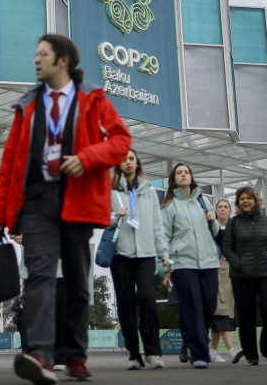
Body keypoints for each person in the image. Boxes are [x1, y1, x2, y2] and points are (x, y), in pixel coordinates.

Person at [0, 33, 131, 383]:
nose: (35, 60)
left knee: (79, 285)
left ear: (62, 60)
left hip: (79, 202)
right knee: (39, 274)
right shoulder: (27, 106)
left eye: (42, 54)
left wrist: (88, 157)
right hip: (37, 204)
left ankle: (75, 355)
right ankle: (39, 354)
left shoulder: (93, 99)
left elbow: (120, 141)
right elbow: (9, 164)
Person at [109, 149, 168, 370]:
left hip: (145, 254)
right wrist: (116, 216)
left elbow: (157, 225)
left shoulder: (149, 191)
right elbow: (102, 219)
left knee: (147, 298)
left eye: (131, 158)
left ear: (137, 162)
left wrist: (164, 254)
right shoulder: (111, 191)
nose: (128, 162)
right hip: (120, 255)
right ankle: (134, 354)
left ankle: (153, 351)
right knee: (125, 305)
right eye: (123, 159)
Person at [160, 163, 219, 369]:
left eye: (186, 172)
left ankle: (189, 336)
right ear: (174, 180)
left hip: (209, 261)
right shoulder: (169, 206)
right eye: (179, 173)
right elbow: (164, 237)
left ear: (191, 177)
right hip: (182, 263)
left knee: (209, 307)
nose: (183, 174)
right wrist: (166, 263)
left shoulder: (203, 202)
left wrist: (214, 221)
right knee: (193, 306)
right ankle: (200, 353)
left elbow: (217, 232)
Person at [222, 186, 267, 366]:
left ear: (256, 201)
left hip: (265, 272)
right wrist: (239, 264)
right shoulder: (234, 223)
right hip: (241, 276)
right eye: (242, 198)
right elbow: (227, 248)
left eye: (249, 198)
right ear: (238, 202)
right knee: (247, 316)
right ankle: (251, 355)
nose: (245, 201)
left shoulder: (266, 221)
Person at [209, 199, 243, 364]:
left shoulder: (235, 230)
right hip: (215, 268)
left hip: (231, 270)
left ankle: (213, 351)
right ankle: (231, 349)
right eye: (220, 207)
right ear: (215, 211)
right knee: (220, 307)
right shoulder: (210, 228)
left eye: (226, 207)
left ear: (230, 211)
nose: (222, 209)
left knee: (224, 308)